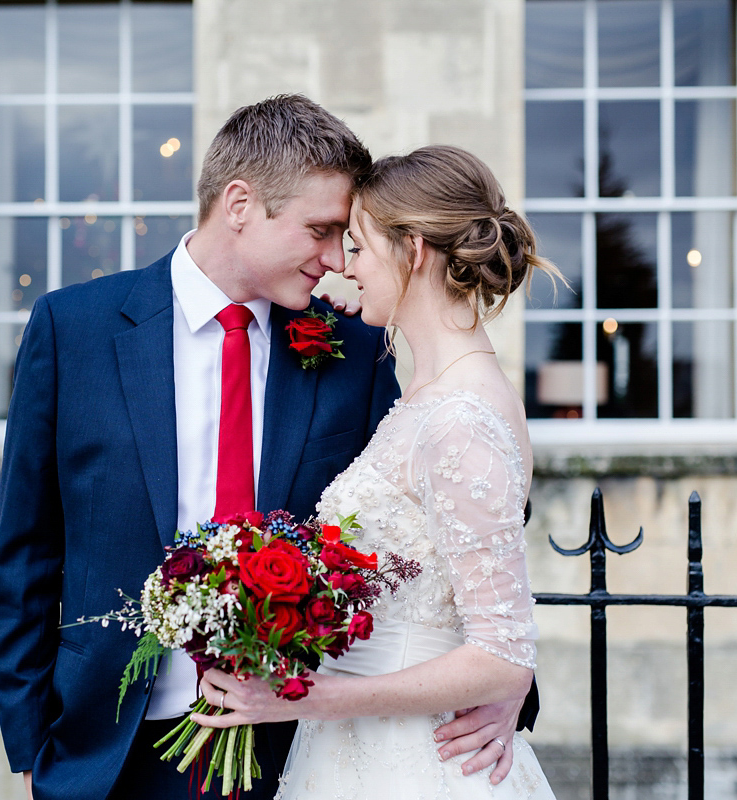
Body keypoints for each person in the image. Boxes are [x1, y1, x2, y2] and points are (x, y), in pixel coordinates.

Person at [0, 97, 534, 800]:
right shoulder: (74, 330)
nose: (338, 259)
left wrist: (510, 681)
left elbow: (465, 522)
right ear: (240, 204)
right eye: (321, 230)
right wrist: (32, 746)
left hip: (298, 749)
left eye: (349, 238)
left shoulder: (356, 348)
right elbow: (28, 552)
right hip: (107, 751)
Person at [192, 145, 559, 799]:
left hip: (418, 764)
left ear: (412, 250)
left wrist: (299, 697)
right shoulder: (431, 393)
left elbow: (503, 653)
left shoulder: (461, 416)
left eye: (358, 247)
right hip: (358, 753)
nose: (345, 266)